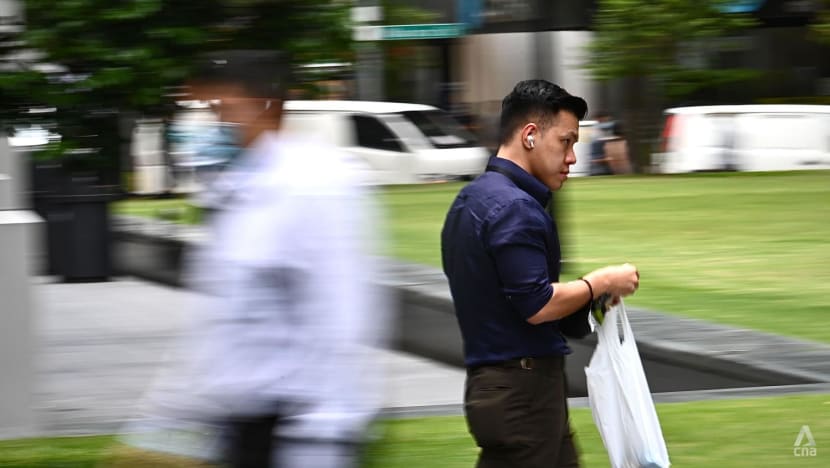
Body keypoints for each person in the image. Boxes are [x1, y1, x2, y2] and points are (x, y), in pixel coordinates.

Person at [123, 50, 388, 468]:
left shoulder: (316, 184)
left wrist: (325, 434)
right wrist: (164, 420)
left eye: (220, 108)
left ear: (265, 105)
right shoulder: (236, 189)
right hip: (239, 424)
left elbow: (341, 313)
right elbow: (214, 323)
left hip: (299, 428)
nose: (210, 123)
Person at [441, 80, 640, 468]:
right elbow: (537, 304)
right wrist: (599, 282)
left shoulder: (470, 199)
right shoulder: (516, 208)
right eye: (565, 142)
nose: (572, 158)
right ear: (530, 135)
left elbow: (506, 299)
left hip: (501, 390)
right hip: (524, 396)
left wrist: (591, 301)